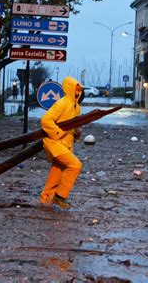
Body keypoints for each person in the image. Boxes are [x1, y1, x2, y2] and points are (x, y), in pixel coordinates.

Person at [39, 76, 84, 209]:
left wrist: (76, 133)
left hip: (66, 144)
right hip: (55, 143)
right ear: (70, 87)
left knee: (57, 172)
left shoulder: (76, 107)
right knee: (75, 165)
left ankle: (45, 200)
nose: (79, 89)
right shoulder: (62, 103)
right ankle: (60, 196)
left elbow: (73, 125)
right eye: (76, 87)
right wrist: (59, 133)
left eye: (80, 88)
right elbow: (46, 120)